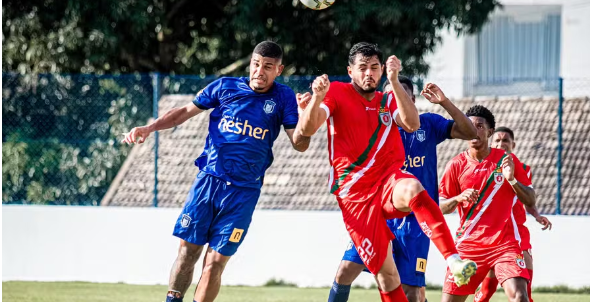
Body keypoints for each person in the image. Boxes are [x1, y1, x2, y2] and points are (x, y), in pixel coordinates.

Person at [122, 41, 311, 302]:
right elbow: (182, 114)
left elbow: (299, 144)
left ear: (279, 70)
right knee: (188, 253)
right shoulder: (225, 87)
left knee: (214, 264)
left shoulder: (284, 97)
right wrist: (149, 128)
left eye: (268, 67)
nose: (259, 71)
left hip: (244, 192)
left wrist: (307, 115)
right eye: (256, 64)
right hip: (209, 182)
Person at [295, 42, 477, 302]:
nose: (369, 73)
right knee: (386, 277)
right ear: (350, 71)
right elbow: (308, 129)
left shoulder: (389, 99)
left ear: (382, 70)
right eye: (362, 68)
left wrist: (393, 80)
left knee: (414, 188)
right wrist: (316, 98)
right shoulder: (336, 92)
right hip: (355, 197)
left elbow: (413, 124)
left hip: (388, 184)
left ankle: (454, 260)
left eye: (374, 68)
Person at [438, 105, 536, 302]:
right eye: (470, 126)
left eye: (480, 126)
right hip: (469, 246)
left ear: (490, 132)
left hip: (505, 245)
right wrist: (458, 198)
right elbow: (439, 207)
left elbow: (531, 199)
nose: (474, 130)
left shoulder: (507, 160)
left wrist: (512, 180)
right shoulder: (456, 165)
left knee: (520, 297)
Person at [474, 127, 553, 302]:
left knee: (524, 293)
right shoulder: (482, 167)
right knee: (486, 292)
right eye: (497, 140)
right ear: (491, 143)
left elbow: (527, 198)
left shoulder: (523, 168)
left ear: (513, 145)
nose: (501, 144)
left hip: (518, 235)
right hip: (491, 236)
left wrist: (536, 215)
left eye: (506, 141)